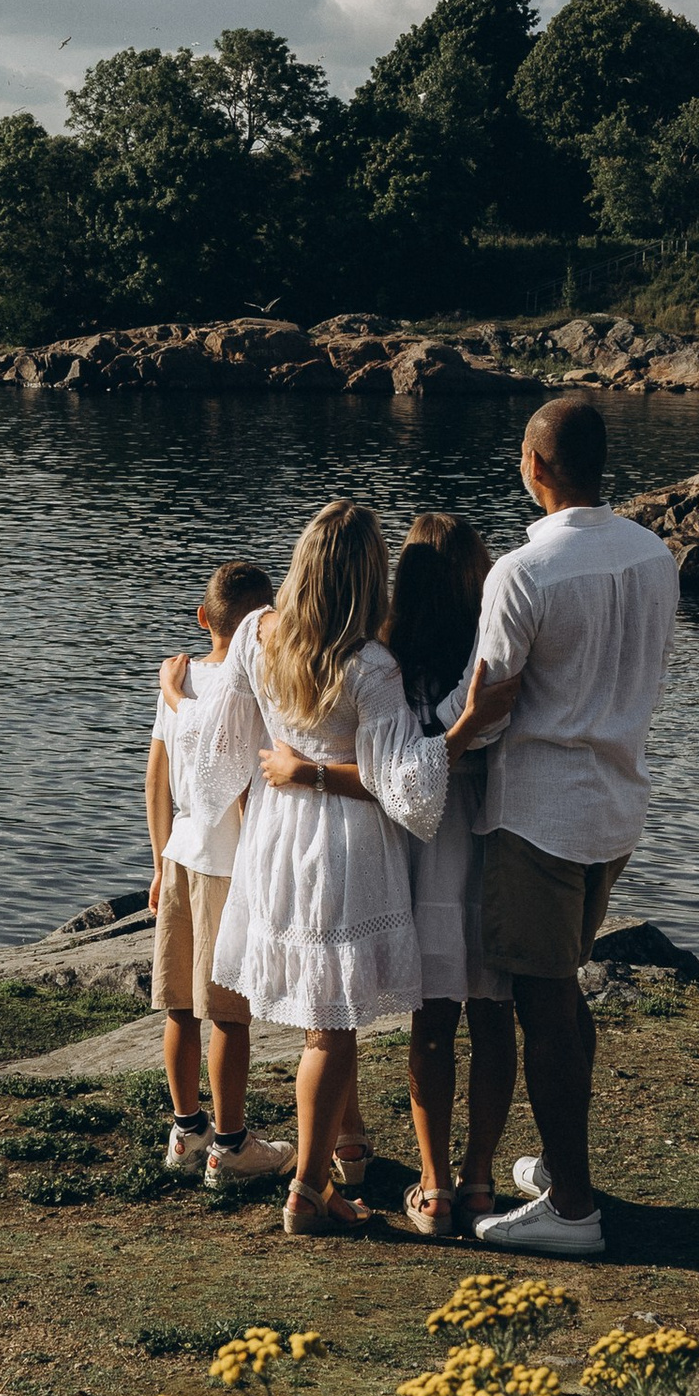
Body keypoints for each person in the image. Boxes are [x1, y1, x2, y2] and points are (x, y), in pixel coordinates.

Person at [177, 499, 516, 1241]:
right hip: (342, 847)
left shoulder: (257, 634)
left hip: (275, 837)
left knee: (317, 1027)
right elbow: (405, 783)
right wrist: (460, 727)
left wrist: (181, 706)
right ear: (368, 575)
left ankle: (327, 1172)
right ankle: (305, 1190)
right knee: (331, 1028)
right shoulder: (371, 666)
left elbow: (222, 736)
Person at [465, 395, 679, 1262]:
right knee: (563, 990)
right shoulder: (654, 554)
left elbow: (486, 706)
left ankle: (576, 1208)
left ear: (534, 464)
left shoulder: (522, 572)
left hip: (539, 814)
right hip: (617, 802)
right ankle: (561, 1169)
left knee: (542, 1002)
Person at [385, 512, 518, 1236]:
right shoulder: (491, 649)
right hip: (491, 836)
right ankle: (477, 1181)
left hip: (423, 848)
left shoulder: (390, 657)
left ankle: (434, 1186)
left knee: (432, 1021)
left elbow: (402, 755)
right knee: (493, 1014)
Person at [146, 557, 289, 1189]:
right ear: (267, 620)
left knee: (180, 1005)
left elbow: (155, 776)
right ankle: (230, 1147)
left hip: (179, 853)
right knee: (229, 1012)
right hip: (228, 867)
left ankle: (186, 1129)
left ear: (204, 618)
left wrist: (157, 860)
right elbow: (244, 791)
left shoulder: (183, 682)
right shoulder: (253, 687)